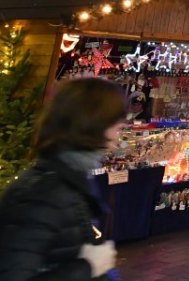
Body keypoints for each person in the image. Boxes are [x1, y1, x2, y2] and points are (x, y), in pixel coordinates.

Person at [0, 78, 125, 281]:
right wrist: (88, 267)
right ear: (93, 125)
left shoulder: (67, 180)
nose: (116, 141)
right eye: (117, 128)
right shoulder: (43, 193)